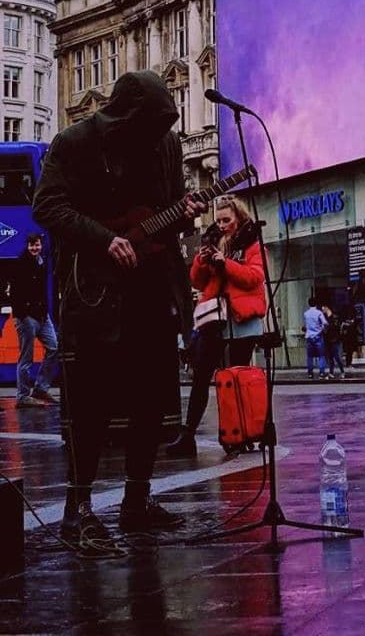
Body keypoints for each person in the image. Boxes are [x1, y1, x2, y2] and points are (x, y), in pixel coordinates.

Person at [32, 71, 205, 556]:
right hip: (95, 292)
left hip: (152, 289)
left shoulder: (166, 145)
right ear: (127, 115)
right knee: (90, 405)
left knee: (151, 398)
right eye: (149, 124)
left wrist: (184, 211)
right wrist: (104, 239)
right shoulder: (75, 142)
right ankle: (78, 511)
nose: (156, 135)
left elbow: (167, 206)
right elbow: (47, 206)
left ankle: (136, 500)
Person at [166, 194, 267, 459]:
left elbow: (255, 277)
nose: (222, 225)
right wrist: (201, 260)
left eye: (227, 220)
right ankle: (187, 436)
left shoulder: (252, 243)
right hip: (213, 319)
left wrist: (226, 263)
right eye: (219, 220)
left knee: (235, 378)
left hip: (240, 320)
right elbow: (198, 282)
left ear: (238, 217)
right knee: (201, 377)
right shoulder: (211, 240)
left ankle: (238, 434)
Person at [7, 234, 59, 407]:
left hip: (43, 317)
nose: (34, 248)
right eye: (31, 245)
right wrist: (22, 316)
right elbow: (13, 294)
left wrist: (45, 313)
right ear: (27, 246)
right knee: (26, 358)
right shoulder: (21, 264)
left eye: (37, 245)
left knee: (54, 348)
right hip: (27, 318)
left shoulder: (42, 262)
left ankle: (40, 388)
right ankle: (22, 397)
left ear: (41, 245)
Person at [303, 296, 328, 380]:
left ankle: (310, 373)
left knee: (310, 356)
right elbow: (325, 323)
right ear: (316, 303)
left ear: (309, 304)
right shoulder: (319, 313)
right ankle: (321, 373)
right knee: (321, 356)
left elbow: (306, 325)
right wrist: (322, 329)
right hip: (318, 336)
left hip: (309, 337)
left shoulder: (306, 314)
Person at [322, 305, 345, 380]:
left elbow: (334, 327)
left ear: (327, 308)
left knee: (336, 356)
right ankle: (331, 373)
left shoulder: (334, 317)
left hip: (334, 339)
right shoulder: (326, 317)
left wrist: (326, 327)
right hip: (328, 339)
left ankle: (342, 371)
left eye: (323, 309)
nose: (323, 310)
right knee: (330, 357)